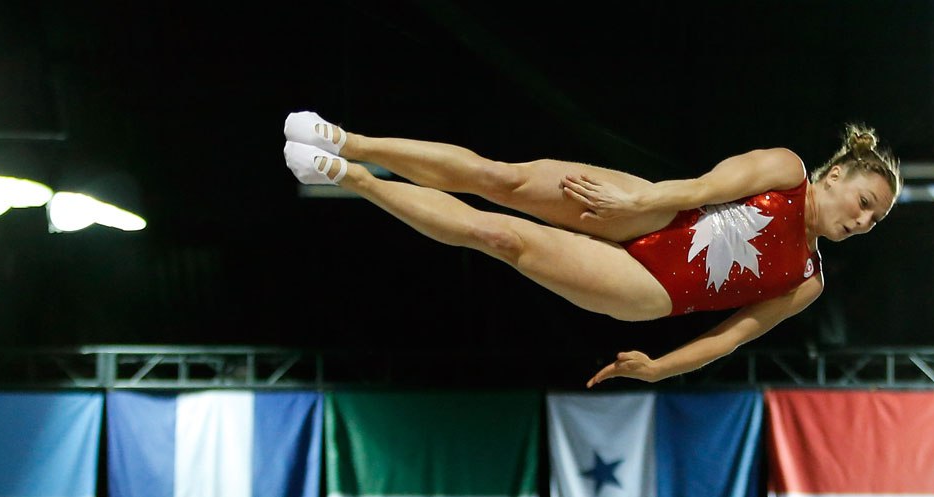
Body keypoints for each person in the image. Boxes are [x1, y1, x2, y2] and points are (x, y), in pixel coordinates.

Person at [282, 112, 900, 387]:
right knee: (503, 179)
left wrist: (659, 368)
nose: (866, 221)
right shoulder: (784, 168)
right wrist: (635, 206)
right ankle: (350, 140)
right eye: (866, 201)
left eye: (877, 219)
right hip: (656, 206)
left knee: (499, 235)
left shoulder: (806, 280)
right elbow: (704, 187)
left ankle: (351, 180)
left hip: (649, 287)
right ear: (837, 174)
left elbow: (729, 337)